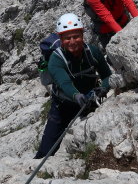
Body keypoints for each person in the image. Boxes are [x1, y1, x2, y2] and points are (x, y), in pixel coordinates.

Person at [34, 13, 112, 159]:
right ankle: (39, 167)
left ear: (82, 35)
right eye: (67, 38)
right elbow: (64, 83)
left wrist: (104, 88)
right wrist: (76, 95)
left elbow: (106, 75)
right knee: (47, 148)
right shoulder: (56, 60)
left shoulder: (93, 52)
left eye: (76, 36)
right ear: (61, 39)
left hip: (89, 101)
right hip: (63, 106)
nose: (72, 41)